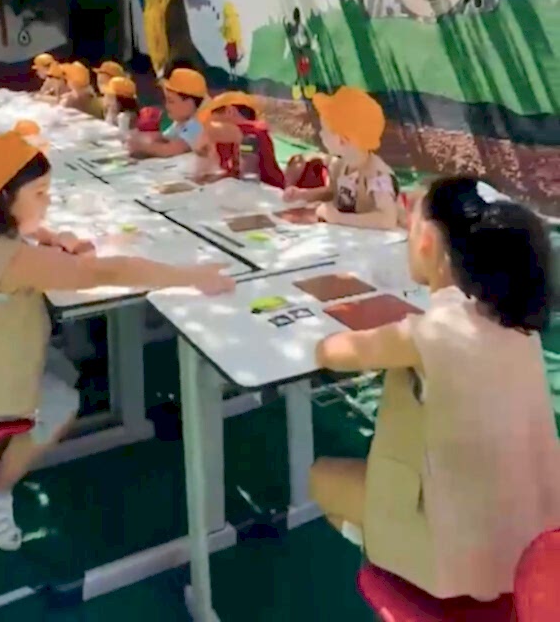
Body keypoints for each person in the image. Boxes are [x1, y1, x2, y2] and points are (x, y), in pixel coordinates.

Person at [0, 131, 235, 550]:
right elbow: (107, 272)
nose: (47, 201)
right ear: (4, 198)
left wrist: (51, 238)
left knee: (63, 367)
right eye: (39, 193)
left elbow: (27, 239)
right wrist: (192, 276)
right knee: (63, 402)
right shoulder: (17, 260)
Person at [310, 177, 560, 602]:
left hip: (461, 556)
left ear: (426, 240)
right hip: (536, 548)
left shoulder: (429, 333)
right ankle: (394, 556)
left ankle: (399, 568)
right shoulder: (519, 324)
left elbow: (329, 352)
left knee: (320, 477)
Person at [283, 87, 399, 229]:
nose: (320, 134)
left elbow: (387, 219)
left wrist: (338, 218)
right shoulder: (341, 166)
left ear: (342, 140)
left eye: (324, 129)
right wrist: (303, 195)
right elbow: (334, 192)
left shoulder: (377, 176)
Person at [198, 92, 285, 188]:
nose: (210, 122)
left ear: (229, 111)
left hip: (269, 191)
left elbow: (210, 131)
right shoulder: (227, 142)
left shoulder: (254, 131)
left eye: (213, 119)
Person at [126, 68, 209, 159]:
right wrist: (138, 137)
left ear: (189, 103)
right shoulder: (181, 122)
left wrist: (142, 146)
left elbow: (169, 150)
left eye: (171, 101)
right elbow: (164, 137)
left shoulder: (198, 124)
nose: (166, 106)